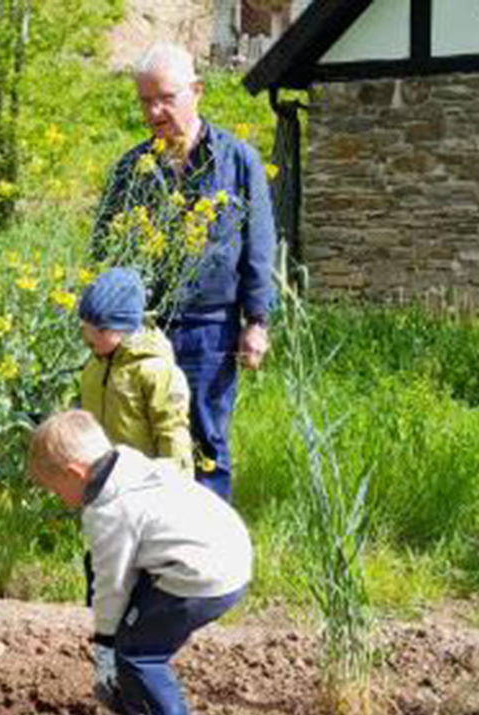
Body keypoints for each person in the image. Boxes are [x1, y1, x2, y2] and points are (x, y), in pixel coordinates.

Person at [91, 42, 276, 502]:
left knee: (205, 442)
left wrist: (257, 321)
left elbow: (259, 246)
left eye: (165, 98)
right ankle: (154, 556)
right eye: (145, 101)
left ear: (197, 91)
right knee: (141, 442)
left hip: (211, 329)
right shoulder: (133, 168)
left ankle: (210, 561)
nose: (154, 111)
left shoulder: (237, 160)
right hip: (142, 330)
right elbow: (103, 249)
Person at [27, 409, 251, 715]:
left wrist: (105, 647)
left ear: (74, 474)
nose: (59, 498)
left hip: (202, 577)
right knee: (133, 631)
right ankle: (137, 703)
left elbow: (112, 585)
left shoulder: (108, 512)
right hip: (227, 552)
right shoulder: (131, 464)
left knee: (137, 650)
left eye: (57, 490)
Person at [78, 267, 193, 475]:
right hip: (100, 479)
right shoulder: (95, 364)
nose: (88, 336)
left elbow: (172, 434)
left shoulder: (154, 370)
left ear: (124, 328)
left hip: (143, 482)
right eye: (84, 326)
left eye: (100, 329)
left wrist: (177, 489)